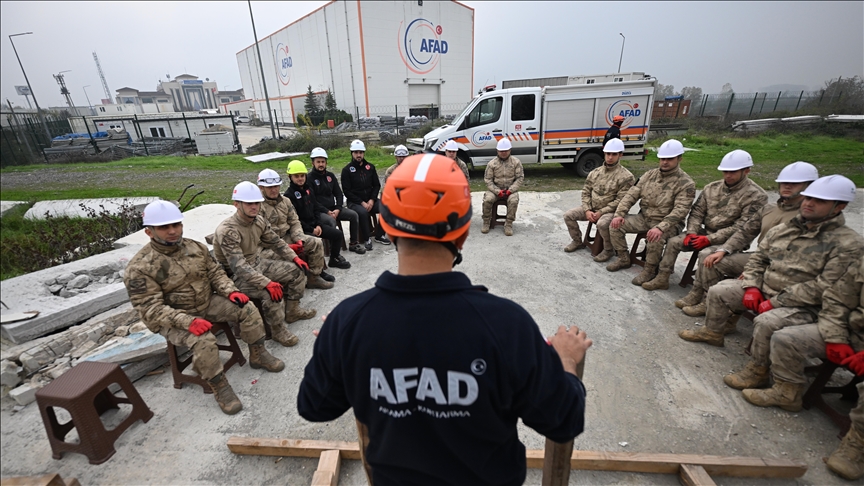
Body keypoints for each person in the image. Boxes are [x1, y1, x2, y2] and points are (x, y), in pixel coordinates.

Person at [297, 154, 591, 484]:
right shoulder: (507, 325)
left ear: (389, 229)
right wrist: (565, 360)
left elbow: (314, 406)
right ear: (463, 232)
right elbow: (563, 419)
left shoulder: (348, 322)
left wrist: (331, 345)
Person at [678, 175, 864, 391]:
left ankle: (758, 372)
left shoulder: (848, 244)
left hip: (802, 304)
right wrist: (752, 285)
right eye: (808, 198)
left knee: (767, 321)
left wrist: (775, 302)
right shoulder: (785, 229)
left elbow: (823, 287)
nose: (809, 204)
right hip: (765, 287)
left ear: (839, 206)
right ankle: (713, 332)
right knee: (720, 291)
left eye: (819, 201)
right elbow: (759, 258)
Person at [124, 200, 283, 415]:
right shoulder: (140, 267)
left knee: (247, 308)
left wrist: (230, 291)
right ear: (149, 232)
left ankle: (258, 353)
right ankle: (219, 385)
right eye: (164, 227)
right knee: (204, 339)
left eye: (176, 225)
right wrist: (187, 321)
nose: (172, 231)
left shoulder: (194, 247)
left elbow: (215, 272)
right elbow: (150, 309)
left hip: (206, 302)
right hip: (174, 317)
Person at [743, 255, 863, 481]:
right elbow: (837, 300)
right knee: (785, 338)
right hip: (848, 331)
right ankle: (787, 392)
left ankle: (857, 446)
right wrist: (836, 337)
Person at [675, 162, 818, 317]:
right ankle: (703, 297)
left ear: (809, 186)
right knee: (711, 258)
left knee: (714, 258)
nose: (787, 186)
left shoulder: (812, 217)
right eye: (784, 182)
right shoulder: (770, 209)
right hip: (761, 258)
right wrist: (723, 250)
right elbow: (745, 232)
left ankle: (724, 312)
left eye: (794, 184)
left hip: (784, 268)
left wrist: (754, 272)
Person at [641, 149, 767, 291]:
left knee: (706, 254)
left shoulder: (756, 196)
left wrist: (710, 239)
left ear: (746, 171)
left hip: (730, 240)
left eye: (733, 172)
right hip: (703, 232)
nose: (728, 175)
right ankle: (662, 278)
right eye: (725, 171)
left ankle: (699, 292)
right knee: (673, 242)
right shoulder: (712, 188)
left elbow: (742, 227)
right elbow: (697, 212)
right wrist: (691, 232)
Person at [213, 181, 318, 347]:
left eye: (256, 202)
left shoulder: (258, 221)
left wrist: (294, 258)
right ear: (236, 204)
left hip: (257, 263)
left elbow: (276, 242)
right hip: (236, 276)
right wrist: (267, 283)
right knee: (271, 292)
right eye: (249, 203)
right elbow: (238, 266)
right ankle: (277, 330)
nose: (254, 206)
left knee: (297, 271)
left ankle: (292, 311)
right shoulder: (227, 230)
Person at [607, 139, 696, 287]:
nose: (665, 162)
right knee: (615, 225)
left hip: (668, 224)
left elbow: (681, 210)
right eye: (662, 158)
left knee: (655, 238)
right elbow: (630, 196)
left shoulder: (686, 183)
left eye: (669, 159)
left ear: (679, 158)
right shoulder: (649, 175)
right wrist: (619, 215)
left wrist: (661, 227)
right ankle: (623, 258)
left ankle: (649, 270)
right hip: (645, 217)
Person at [256, 168, 340, 290]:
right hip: (268, 246)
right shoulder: (257, 207)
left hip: (287, 236)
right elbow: (261, 236)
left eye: (276, 186)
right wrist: (286, 247)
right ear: (261, 187)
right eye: (269, 187)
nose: (274, 190)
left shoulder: (285, 201)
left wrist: (299, 238)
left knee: (316, 242)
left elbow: (294, 221)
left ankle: (314, 277)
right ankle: (289, 285)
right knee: (283, 258)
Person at [563, 138, 635, 254]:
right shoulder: (595, 172)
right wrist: (587, 210)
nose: (610, 157)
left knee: (602, 224)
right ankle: (577, 241)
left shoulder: (626, 177)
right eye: (608, 154)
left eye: (614, 154)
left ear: (620, 155)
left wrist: (601, 212)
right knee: (568, 215)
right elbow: (586, 192)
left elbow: (620, 201)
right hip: (591, 208)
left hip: (609, 212)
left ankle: (608, 249)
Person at [285, 160, 351, 271]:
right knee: (316, 242)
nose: (300, 178)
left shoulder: (308, 190)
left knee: (337, 234)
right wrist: (312, 229)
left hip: (315, 224)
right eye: (296, 176)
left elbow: (315, 209)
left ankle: (334, 259)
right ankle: (317, 270)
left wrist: (319, 225)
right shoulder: (289, 196)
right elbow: (295, 219)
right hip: (302, 229)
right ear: (290, 177)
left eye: (302, 176)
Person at [307, 147, 366, 255]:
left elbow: (339, 193)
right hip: (319, 212)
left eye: (323, 162)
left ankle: (353, 243)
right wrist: (327, 211)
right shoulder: (309, 179)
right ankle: (332, 250)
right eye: (318, 162)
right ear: (313, 163)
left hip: (334, 208)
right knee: (331, 221)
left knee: (353, 215)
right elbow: (312, 200)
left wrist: (338, 208)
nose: (321, 164)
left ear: (326, 163)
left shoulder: (330, 176)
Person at [341, 139, 390, 250]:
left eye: (361, 152)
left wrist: (372, 200)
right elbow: (347, 191)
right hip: (355, 202)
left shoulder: (370, 167)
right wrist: (362, 203)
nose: (359, 155)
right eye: (356, 152)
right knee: (362, 212)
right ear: (352, 153)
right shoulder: (346, 170)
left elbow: (376, 185)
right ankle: (367, 238)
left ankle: (379, 235)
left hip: (370, 200)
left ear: (364, 153)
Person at [481, 138, 524, 236]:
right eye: (501, 151)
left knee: (513, 201)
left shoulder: (516, 162)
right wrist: (497, 191)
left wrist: (510, 190)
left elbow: (520, 178)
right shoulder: (492, 164)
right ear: (497, 151)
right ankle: (486, 222)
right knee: (487, 199)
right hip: (495, 189)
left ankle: (508, 224)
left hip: (510, 189)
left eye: (506, 150)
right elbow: (488, 180)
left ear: (510, 150)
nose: (503, 153)